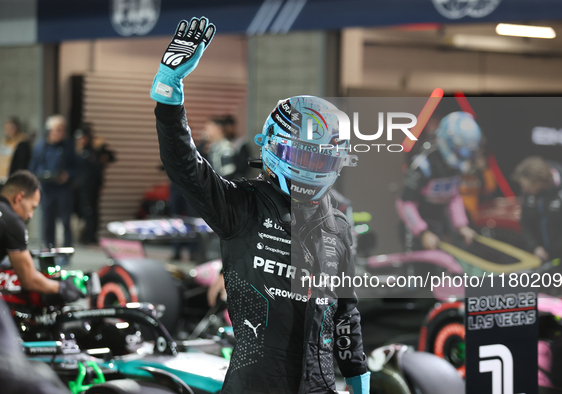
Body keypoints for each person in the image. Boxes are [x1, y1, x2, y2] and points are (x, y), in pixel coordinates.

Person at [150, 17, 369, 394]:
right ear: (272, 148)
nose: (308, 168)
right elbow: (185, 168)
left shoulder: (339, 226)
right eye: (301, 156)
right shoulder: (242, 206)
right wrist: (169, 92)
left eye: (319, 160)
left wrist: (359, 380)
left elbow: (346, 313)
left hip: (319, 387)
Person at [396, 111, 481, 251]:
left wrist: (461, 225)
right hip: (414, 231)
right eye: (459, 150)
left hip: (437, 228)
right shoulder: (423, 165)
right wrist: (422, 232)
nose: (463, 155)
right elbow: (405, 203)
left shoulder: (456, 166)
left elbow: (453, 196)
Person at [0, 170, 82, 302]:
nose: (30, 215)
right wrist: (62, 288)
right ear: (19, 198)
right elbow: (28, 280)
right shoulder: (13, 222)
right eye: (32, 207)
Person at [512, 156, 562, 293]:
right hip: (545, 259)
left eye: (527, 186)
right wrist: (535, 246)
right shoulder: (530, 194)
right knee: (544, 304)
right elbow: (525, 223)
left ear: (540, 182)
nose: (525, 190)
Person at [29, 114, 77, 248]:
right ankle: (49, 249)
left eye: (62, 129)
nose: (59, 133)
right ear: (50, 130)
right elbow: (32, 167)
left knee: (65, 222)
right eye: (57, 129)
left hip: (64, 190)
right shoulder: (41, 147)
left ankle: (66, 251)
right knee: (48, 221)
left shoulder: (68, 147)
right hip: (46, 189)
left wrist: (68, 175)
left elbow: (76, 167)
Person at [74, 124, 115, 245]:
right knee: (82, 211)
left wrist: (100, 150)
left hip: (92, 186)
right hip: (80, 187)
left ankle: (90, 236)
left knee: (90, 211)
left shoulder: (94, 150)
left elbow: (110, 157)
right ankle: (85, 235)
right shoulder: (77, 151)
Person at [0, 117, 31, 185]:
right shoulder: (5, 142)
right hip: (2, 178)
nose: (7, 131)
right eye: (6, 129)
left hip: (13, 179)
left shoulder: (22, 143)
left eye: (9, 128)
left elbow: (21, 163)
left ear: (15, 128)